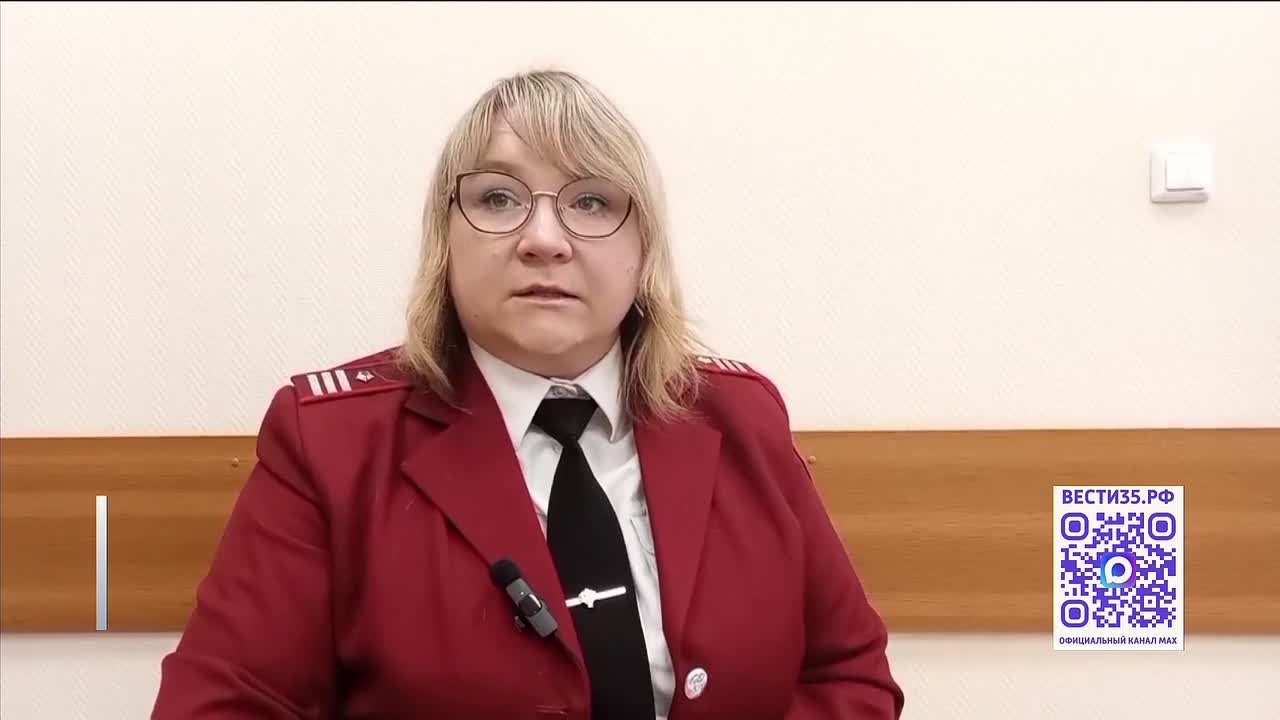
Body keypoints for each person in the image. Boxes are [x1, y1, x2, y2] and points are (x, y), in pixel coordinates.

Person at [152, 68, 904, 719]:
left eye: (592, 201)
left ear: (644, 251)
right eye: (499, 198)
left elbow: (848, 675)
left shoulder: (740, 419)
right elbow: (225, 705)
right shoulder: (331, 444)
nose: (544, 238)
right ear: (445, 242)